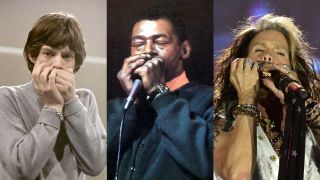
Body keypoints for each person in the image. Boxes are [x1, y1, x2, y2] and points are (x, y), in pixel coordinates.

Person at [107, 9, 213, 180]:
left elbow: (210, 163)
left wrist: (159, 92)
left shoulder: (209, 99)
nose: (148, 51)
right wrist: (133, 103)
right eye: (138, 44)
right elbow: (97, 162)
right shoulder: (116, 107)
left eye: (160, 41)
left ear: (184, 50)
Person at [0, 12, 106, 179]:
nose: (57, 63)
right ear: (33, 55)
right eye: (49, 53)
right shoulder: (7, 98)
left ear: (75, 63)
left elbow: (95, 165)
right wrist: (52, 107)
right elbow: (20, 169)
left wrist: (70, 102)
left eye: (66, 56)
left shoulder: (85, 99)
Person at [213, 14, 320, 179]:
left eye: (280, 52)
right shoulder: (220, 123)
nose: (268, 57)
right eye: (259, 50)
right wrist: (247, 95)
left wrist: (303, 104)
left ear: (294, 70)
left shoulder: (310, 128)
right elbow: (238, 175)